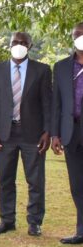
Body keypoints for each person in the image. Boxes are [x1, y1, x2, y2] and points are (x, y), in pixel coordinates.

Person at [0, 32, 51, 237]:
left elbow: (47, 104)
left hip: (33, 134)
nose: (19, 45)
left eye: (24, 42)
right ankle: (7, 220)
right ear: (9, 44)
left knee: (35, 180)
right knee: (5, 179)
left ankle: (35, 222)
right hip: (5, 133)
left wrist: (47, 131)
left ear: (30, 46)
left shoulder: (42, 70)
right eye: (15, 42)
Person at [51, 22, 83, 244]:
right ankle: (81, 230)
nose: (80, 37)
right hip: (71, 132)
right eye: (77, 34)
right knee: (77, 184)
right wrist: (55, 134)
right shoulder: (61, 67)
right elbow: (56, 104)